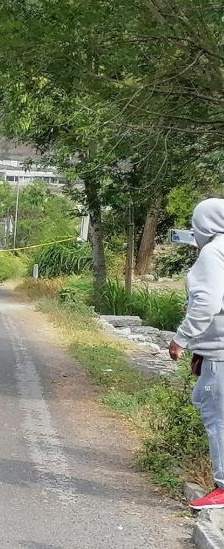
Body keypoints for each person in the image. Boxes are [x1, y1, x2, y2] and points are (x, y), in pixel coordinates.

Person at [168, 198, 224, 510]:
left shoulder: (214, 252)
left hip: (220, 353)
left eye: (195, 228)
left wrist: (182, 339)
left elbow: (207, 302)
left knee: (217, 415)